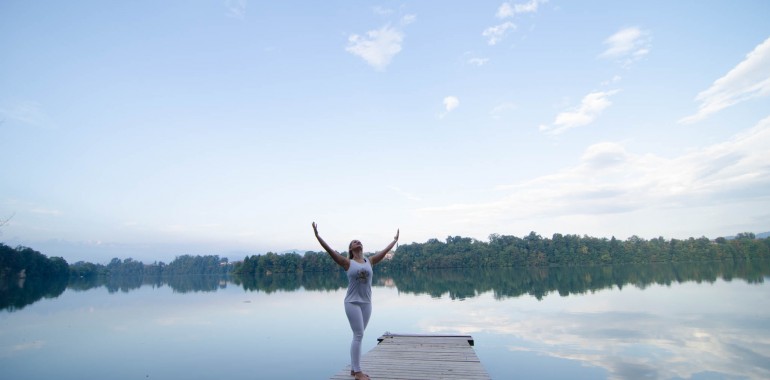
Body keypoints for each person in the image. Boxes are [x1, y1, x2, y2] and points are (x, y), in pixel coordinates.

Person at [312, 222, 399, 380]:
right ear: (351, 249)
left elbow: (384, 251)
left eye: (359, 241)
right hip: (352, 303)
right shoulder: (347, 263)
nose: (358, 242)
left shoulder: (369, 261)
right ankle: (358, 372)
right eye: (354, 242)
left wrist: (394, 240)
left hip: (367, 303)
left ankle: (353, 369)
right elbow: (330, 251)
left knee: (359, 335)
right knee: (358, 334)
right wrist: (318, 236)